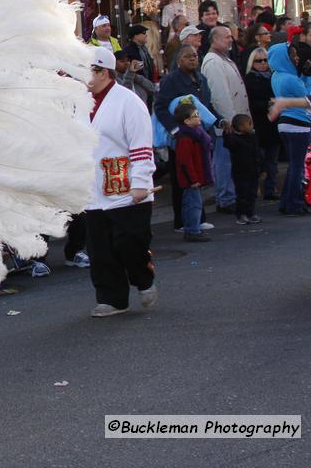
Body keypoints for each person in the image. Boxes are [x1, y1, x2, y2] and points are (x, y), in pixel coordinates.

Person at [83, 47, 157, 318]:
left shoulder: (128, 101)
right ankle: (112, 298)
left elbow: (140, 144)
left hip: (126, 187)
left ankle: (143, 277)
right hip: (93, 190)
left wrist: (140, 181)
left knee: (130, 243)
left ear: (102, 72)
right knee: (99, 248)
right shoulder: (79, 103)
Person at [154, 45, 222, 232]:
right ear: (179, 60)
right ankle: (182, 221)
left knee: (197, 176)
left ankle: (198, 218)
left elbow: (206, 106)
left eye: (194, 56)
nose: (192, 59)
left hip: (199, 135)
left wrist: (219, 121)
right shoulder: (171, 80)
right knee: (181, 179)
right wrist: (175, 130)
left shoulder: (201, 78)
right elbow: (160, 107)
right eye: (187, 56)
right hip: (182, 137)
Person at [201, 25, 249, 214]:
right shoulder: (213, 62)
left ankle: (229, 195)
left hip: (234, 120)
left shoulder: (223, 59)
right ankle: (225, 197)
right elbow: (219, 95)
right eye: (227, 37)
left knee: (228, 160)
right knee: (223, 160)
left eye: (231, 36)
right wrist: (229, 120)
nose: (231, 40)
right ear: (215, 39)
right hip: (227, 123)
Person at [267, 42, 311, 215]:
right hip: (298, 123)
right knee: (297, 166)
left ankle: (287, 201)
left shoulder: (277, 75)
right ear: (284, 58)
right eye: (292, 55)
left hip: (286, 123)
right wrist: (307, 77)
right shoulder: (290, 79)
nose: (296, 58)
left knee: (294, 165)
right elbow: (307, 98)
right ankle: (294, 203)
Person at [172, 102, 213, 242]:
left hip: (194, 177)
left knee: (193, 203)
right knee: (193, 205)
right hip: (190, 179)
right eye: (195, 115)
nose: (199, 117)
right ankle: (192, 230)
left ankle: (193, 229)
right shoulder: (186, 138)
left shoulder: (195, 134)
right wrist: (192, 179)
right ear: (187, 121)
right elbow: (184, 162)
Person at [244, 49, 280, 201]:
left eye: (265, 60)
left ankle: (270, 189)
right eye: (259, 61)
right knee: (258, 160)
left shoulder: (274, 77)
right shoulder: (249, 79)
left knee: (272, 161)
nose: (263, 63)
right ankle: (254, 190)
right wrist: (267, 104)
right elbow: (249, 103)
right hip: (259, 124)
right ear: (252, 63)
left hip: (274, 124)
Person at [224, 114, 261, 225]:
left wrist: (262, 168)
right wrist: (226, 133)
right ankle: (241, 214)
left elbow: (258, 152)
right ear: (240, 127)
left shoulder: (253, 137)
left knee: (252, 193)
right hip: (240, 171)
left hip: (253, 169)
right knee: (242, 193)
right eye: (248, 124)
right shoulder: (234, 139)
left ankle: (251, 213)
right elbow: (228, 143)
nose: (251, 126)